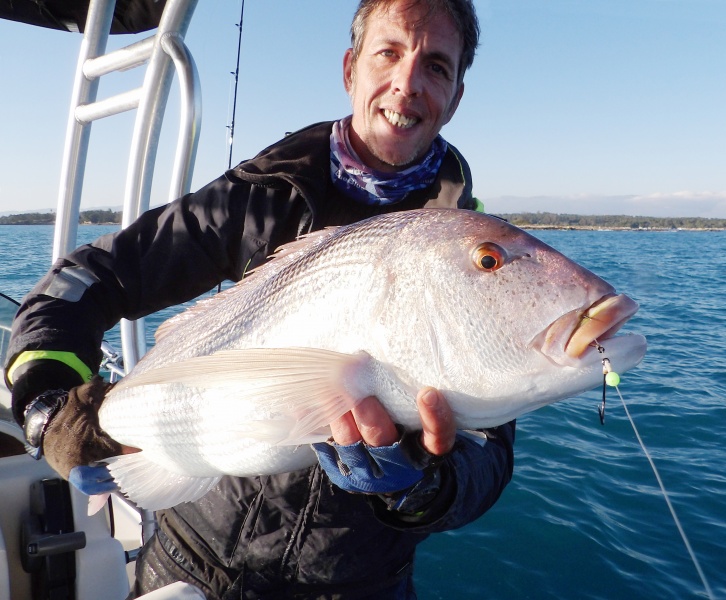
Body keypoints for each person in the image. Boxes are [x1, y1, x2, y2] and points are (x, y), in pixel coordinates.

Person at [4, 0, 515, 598]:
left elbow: (491, 454)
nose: (407, 84)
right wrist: (46, 401)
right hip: (192, 557)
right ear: (351, 69)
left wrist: (427, 484)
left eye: (435, 66)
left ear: (454, 96)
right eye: (389, 52)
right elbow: (93, 274)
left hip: (357, 582)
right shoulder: (262, 197)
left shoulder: (476, 255)